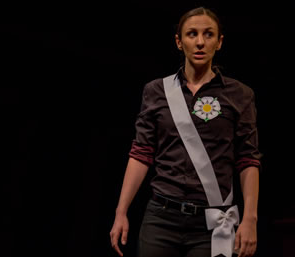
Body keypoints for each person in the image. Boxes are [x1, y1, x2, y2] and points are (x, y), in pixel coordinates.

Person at [109, 7, 262, 257]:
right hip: (161, 218)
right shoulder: (156, 91)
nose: (200, 42)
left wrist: (250, 219)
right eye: (192, 34)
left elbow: (248, 159)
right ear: (179, 42)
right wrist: (121, 212)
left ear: (219, 42)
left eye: (208, 34)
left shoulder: (240, 95)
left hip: (212, 222)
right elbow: (141, 153)